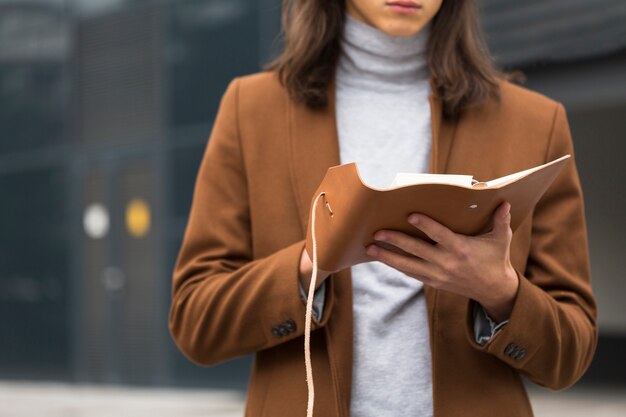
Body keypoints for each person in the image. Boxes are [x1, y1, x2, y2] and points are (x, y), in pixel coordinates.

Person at [168, 1, 598, 416]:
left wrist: (499, 291)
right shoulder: (252, 109)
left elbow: (571, 355)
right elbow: (195, 322)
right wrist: (307, 266)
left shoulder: (535, 122)